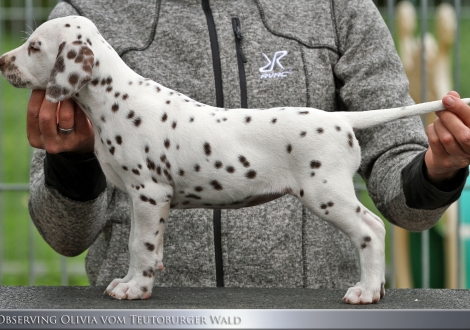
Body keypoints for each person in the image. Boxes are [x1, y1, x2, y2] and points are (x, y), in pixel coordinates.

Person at [27, 0, 470, 289]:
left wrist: (436, 170)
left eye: (30, 51)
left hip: (310, 311)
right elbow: (64, 237)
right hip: (150, 317)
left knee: (337, 205)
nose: (13, 59)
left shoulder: (339, 8)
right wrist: (75, 161)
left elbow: (403, 191)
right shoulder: (83, 17)